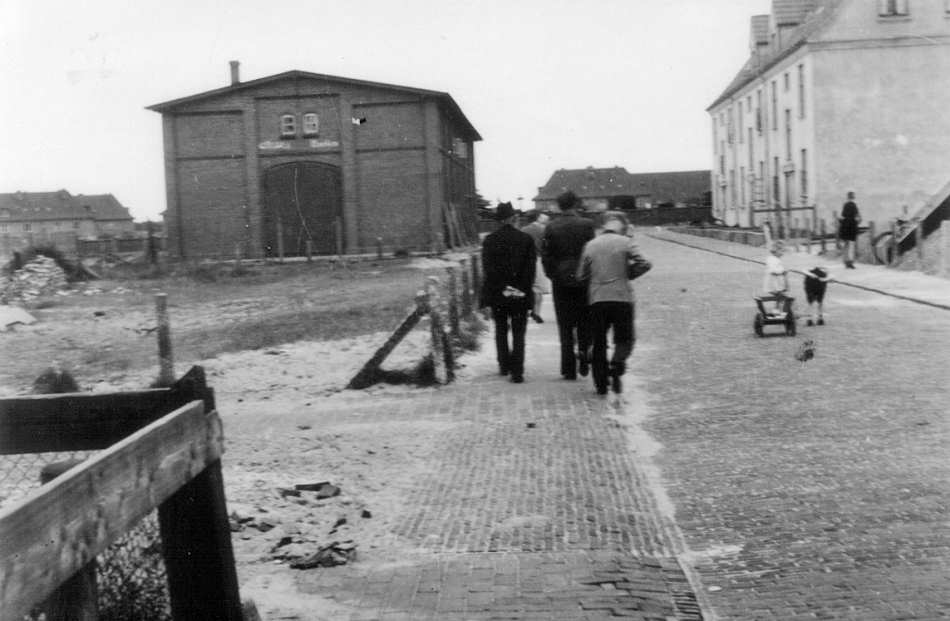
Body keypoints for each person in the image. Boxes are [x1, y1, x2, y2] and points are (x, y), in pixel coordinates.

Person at [576, 212, 651, 395]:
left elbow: (580, 275)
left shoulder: (590, 245)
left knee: (599, 341)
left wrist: (593, 279)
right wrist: (628, 274)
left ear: (603, 228)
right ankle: (617, 363)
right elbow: (645, 263)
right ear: (620, 228)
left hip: (597, 300)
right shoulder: (625, 242)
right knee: (625, 338)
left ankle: (601, 383)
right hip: (622, 297)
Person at [541, 191, 596, 380]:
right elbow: (592, 252)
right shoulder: (587, 224)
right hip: (584, 280)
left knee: (564, 323)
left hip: (560, 280)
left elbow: (546, 256)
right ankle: (583, 350)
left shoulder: (551, 227)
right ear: (575, 204)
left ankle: (568, 367)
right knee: (584, 319)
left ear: (559, 205)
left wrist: (553, 275)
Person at [479, 201, 536, 384]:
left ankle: (504, 365)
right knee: (519, 332)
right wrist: (521, 290)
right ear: (513, 218)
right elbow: (530, 271)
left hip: (499, 293)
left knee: (501, 329)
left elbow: (488, 270)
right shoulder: (526, 240)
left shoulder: (489, 240)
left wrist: (502, 288)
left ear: (498, 221)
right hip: (519, 293)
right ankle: (517, 371)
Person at [520, 209, 551, 323]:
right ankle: (536, 312)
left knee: (528, 287)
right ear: (538, 217)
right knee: (538, 289)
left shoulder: (523, 230)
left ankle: (527, 309)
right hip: (538, 259)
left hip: (525, 260)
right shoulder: (543, 230)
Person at [763, 240, 789, 315]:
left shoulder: (775, 259)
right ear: (776, 250)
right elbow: (773, 270)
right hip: (773, 283)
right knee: (782, 296)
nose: (783, 254)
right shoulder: (771, 259)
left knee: (780, 296)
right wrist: (782, 271)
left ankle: (777, 310)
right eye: (782, 251)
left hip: (776, 282)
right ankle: (782, 312)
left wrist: (783, 271)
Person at [838, 191, 861, 269]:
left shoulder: (845, 205)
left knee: (845, 245)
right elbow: (858, 217)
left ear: (847, 197)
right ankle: (850, 262)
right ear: (853, 197)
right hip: (852, 226)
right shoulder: (854, 205)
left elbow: (842, 216)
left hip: (845, 226)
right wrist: (857, 221)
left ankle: (845, 261)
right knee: (851, 245)